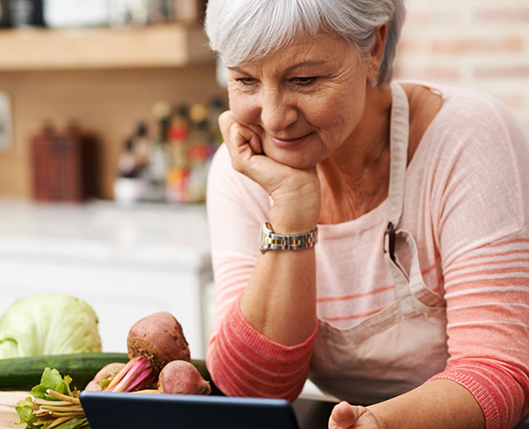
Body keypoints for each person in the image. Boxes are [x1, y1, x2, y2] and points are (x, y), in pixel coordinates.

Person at [203, 1, 529, 428]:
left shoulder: (468, 138)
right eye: (245, 80)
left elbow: (498, 371)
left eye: (303, 79)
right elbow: (252, 392)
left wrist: (378, 423)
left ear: (374, 46)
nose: (273, 119)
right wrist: (292, 210)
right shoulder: (243, 167)